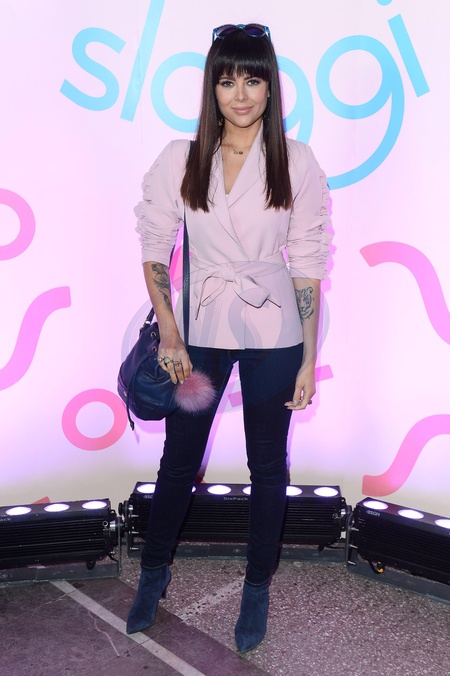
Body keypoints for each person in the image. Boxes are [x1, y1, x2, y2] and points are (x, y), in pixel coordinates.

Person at [126, 23, 331, 653]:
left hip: (275, 328)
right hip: (201, 327)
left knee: (268, 465)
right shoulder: (180, 158)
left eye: (252, 79)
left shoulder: (296, 161)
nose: (240, 94)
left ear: (271, 87)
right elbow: (155, 246)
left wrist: (309, 358)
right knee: (179, 461)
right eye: (226, 80)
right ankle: (153, 573)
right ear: (211, 88)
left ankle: (256, 586)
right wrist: (169, 333)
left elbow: (308, 261)